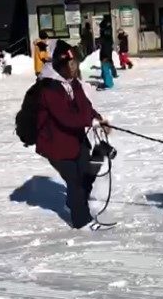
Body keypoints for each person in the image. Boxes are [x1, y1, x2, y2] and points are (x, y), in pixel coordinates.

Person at [36, 39, 111, 231]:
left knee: (88, 171)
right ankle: (82, 222)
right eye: (70, 64)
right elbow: (66, 118)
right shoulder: (48, 87)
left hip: (75, 140)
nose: (74, 67)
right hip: (55, 144)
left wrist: (98, 119)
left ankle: (74, 201)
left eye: (74, 63)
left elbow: (84, 105)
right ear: (60, 65)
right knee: (76, 182)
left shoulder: (72, 83)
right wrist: (89, 121)